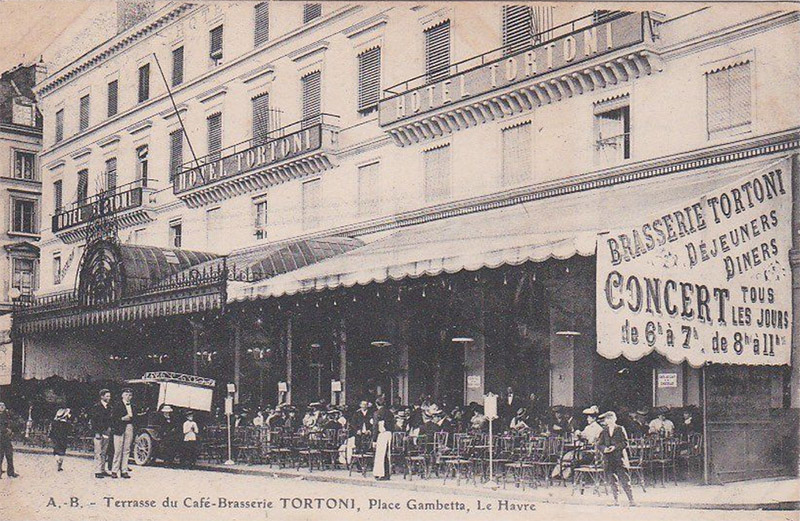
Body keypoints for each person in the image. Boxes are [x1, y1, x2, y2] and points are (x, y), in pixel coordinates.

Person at [598, 411, 635, 506]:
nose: (608, 420)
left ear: (614, 419)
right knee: (612, 481)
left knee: (624, 479)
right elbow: (599, 444)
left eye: (610, 418)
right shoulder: (604, 431)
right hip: (608, 459)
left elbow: (625, 443)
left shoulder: (620, 429)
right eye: (607, 419)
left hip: (619, 459)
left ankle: (631, 500)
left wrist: (615, 447)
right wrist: (604, 449)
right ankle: (616, 500)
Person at [111, 387, 136, 479]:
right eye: (126, 394)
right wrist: (122, 419)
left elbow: (136, 417)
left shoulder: (133, 406)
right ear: (122, 395)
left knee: (126, 449)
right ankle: (114, 470)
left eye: (130, 395)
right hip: (119, 428)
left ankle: (124, 470)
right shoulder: (117, 405)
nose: (128, 397)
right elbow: (112, 419)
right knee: (118, 450)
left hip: (129, 427)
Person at [89, 389, 113, 478]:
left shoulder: (109, 407)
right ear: (102, 397)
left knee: (104, 451)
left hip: (106, 432)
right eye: (107, 396)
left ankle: (102, 469)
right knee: (98, 452)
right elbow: (94, 421)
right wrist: (96, 432)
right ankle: (97, 470)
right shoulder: (96, 407)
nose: (109, 398)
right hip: (98, 432)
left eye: (109, 396)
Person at [372, 396, 394, 481]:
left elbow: (375, 427)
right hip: (389, 434)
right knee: (387, 454)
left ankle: (380, 473)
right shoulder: (390, 413)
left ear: (376, 404)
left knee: (380, 454)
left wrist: (374, 439)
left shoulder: (377, 413)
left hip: (382, 434)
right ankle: (387, 473)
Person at [50, 408, 73, 472]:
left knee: (55, 451)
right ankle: (59, 466)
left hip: (56, 438)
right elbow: (70, 431)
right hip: (64, 438)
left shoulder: (54, 422)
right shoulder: (67, 424)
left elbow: (51, 431)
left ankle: (58, 460)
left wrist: (51, 437)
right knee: (62, 451)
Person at [0, 402, 19, 478]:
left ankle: (11, 472)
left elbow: (11, 423)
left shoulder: (7, 415)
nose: (2, 407)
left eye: (3, 406)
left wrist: (11, 430)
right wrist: (5, 430)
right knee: (0, 455)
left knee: (9, 455)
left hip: (6, 438)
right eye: (0, 406)